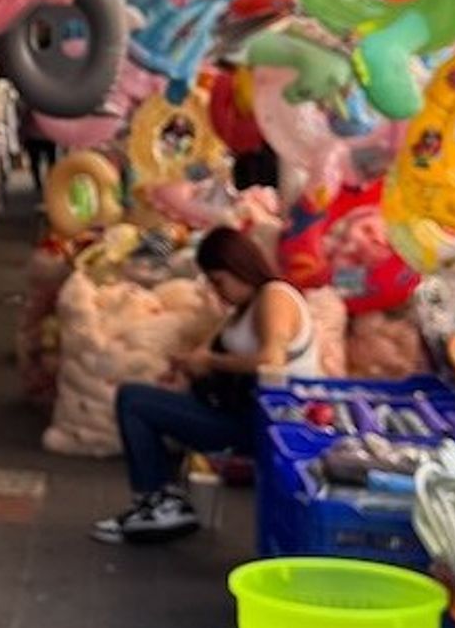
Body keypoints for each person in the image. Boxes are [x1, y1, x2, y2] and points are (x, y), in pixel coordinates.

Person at [93, 226, 319, 547]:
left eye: (219, 281)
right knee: (145, 400)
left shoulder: (274, 298)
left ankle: (159, 501)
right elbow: (207, 351)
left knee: (133, 401)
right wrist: (186, 367)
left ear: (239, 268)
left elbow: (272, 359)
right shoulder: (242, 309)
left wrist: (211, 363)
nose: (218, 291)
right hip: (247, 414)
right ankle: (159, 497)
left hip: (271, 423)